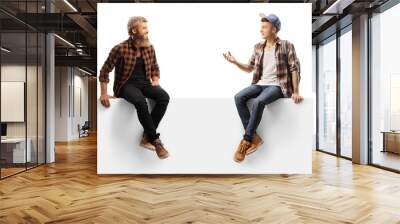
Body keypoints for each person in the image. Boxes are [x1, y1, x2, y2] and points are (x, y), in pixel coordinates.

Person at [223, 13, 303, 163]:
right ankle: (255, 138)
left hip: (278, 85)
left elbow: (294, 68)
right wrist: (235, 62)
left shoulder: (287, 45)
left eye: (264, 27)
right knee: (238, 97)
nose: (261, 30)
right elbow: (249, 68)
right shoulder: (258, 47)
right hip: (260, 84)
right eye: (261, 27)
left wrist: (296, 91)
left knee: (258, 102)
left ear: (274, 29)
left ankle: (246, 141)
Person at [99, 16, 170, 159]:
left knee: (164, 97)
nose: (147, 31)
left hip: (145, 83)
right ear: (133, 30)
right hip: (126, 85)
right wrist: (104, 93)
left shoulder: (149, 48)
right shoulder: (120, 49)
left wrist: (155, 80)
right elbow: (105, 70)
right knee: (140, 101)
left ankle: (146, 137)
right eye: (144, 28)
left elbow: (155, 67)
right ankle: (155, 141)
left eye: (146, 27)